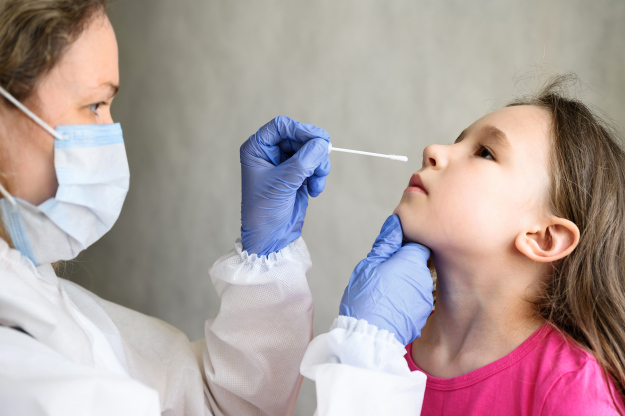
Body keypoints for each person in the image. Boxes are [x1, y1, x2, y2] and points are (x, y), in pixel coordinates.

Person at [0, 1, 338, 414]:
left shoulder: (34, 292)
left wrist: (267, 254)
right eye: (94, 105)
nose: (111, 135)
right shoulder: (17, 358)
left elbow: (213, 405)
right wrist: (372, 362)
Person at [303, 75, 625, 415]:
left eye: (485, 152)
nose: (432, 150)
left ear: (542, 238)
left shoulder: (573, 392)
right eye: (457, 141)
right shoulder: (386, 342)